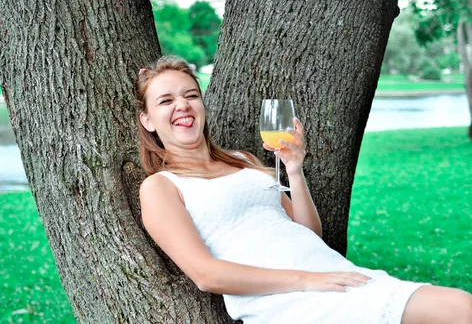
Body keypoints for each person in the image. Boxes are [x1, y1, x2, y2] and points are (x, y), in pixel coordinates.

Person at [134, 56, 472, 324]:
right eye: (166, 100)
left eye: (191, 95)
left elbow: (309, 232)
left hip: (334, 275)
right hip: (290, 300)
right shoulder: (161, 187)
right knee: (459, 308)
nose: (182, 105)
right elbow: (206, 274)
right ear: (148, 120)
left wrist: (294, 169)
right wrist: (306, 280)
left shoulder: (243, 160)